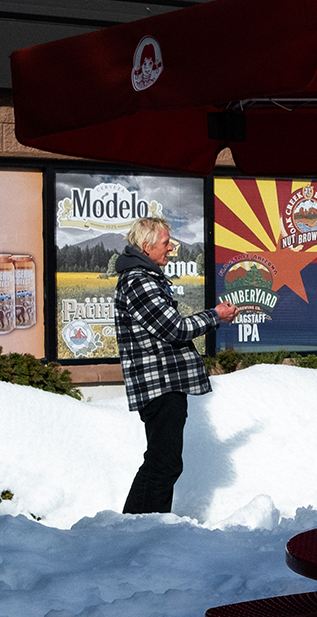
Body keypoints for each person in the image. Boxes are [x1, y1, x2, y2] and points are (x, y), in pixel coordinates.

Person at [115, 216, 240, 514]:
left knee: (162, 462)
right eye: (166, 243)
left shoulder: (146, 278)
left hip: (164, 383)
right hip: (159, 384)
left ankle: (135, 528)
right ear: (146, 246)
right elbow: (176, 329)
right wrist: (215, 315)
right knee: (164, 464)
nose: (172, 248)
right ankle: (146, 530)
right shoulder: (139, 281)